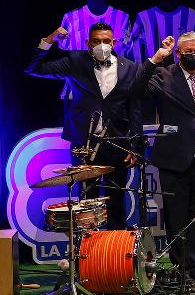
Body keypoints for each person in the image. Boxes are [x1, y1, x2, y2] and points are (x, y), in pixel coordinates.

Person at [26, 21, 143, 230]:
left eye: (106, 41)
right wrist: (50, 39)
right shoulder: (75, 61)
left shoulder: (130, 67)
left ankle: (113, 252)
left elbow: (134, 109)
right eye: (96, 41)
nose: (102, 45)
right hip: (84, 144)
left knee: (116, 199)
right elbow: (33, 68)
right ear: (88, 43)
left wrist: (135, 146)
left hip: (117, 143)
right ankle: (87, 254)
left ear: (114, 42)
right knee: (86, 201)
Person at [138, 33, 195, 285]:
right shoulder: (164, 75)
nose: (194, 55)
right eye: (188, 51)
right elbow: (137, 89)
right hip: (173, 159)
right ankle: (180, 269)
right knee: (176, 216)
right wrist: (156, 59)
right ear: (178, 53)